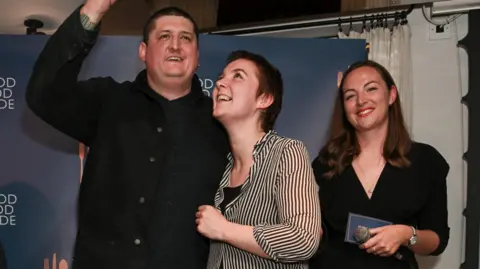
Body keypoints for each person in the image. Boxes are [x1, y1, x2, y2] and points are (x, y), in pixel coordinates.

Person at [25, 0, 229, 269]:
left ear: (198, 56)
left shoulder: (222, 121)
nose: (176, 46)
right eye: (164, 36)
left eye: (186, 38)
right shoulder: (108, 102)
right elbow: (44, 95)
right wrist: (93, 11)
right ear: (143, 51)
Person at [309, 60, 450, 269]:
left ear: (391, 95)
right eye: (350, 96)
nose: (361, 101)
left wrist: (406, 235)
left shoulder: (426, 161)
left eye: (371, 89)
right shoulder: (324, 164)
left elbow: (437, 241)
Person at [194, 50, 322, 269]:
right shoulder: (222, 166)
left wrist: (224, 229)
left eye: (237, 76)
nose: (221, 83)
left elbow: (303, 239)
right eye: (220, 77)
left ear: (264, 99)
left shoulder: (287, 152)